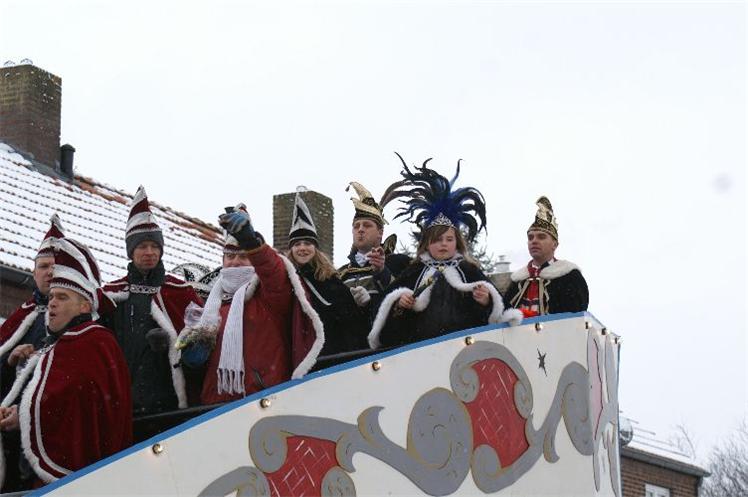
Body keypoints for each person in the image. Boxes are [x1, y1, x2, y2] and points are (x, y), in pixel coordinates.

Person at [0, 236, 131, 488]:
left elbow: (76, 407)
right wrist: (19, 411)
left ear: (84, 306)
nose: (52, 303)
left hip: (75, 480)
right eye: (51, 297)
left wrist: (25, 416)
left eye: (62, 297)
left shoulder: (94, 342)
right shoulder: (62, 343)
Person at [368, 158, 522, 349]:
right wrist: (400, 306)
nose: (443, 244)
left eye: (449, 239)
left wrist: (485, 302)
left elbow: (490, 319)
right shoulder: (414, 272)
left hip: (466, 351)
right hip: (421, 352)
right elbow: (391, 324)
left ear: (457, 242)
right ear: (426, 244)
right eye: (437, 239)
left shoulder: (469, 271)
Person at [182, 204, 323, 405]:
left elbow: (273, 270)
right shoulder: (211, 306)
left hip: (263, 401)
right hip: (216, 406)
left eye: (243, 256)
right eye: (230, 256)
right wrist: (190, 358)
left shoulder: (269, 297)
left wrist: (251, 242)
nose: (235, 262)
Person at [101, 186, 203, 415]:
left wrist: (172, 344)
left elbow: (202, 342)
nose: (149, 252)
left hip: (169, 402)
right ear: (131, 251)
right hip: (123, 400)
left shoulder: (181, 293)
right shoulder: (112, 296)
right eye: (142, 246)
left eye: (155, 246)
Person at [0, 215, 63, 492]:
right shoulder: (19, 317)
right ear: (34, 272)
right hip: (9, 436)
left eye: (56, 267)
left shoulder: (81, 319)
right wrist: (9, 360)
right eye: (44, 266)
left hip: (46, 432)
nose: (49, 272)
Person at [286, 193, 368, 357]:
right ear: (291, 249)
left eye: (307, 243)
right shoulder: (287, 280)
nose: (302, 248)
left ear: (315, 248)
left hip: (335, 354)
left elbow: (351, 321)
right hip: (301, 355)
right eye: (297, 244)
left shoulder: (330, 280)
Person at [502, 196, 589, 317]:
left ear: (555, 244)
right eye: (530, 238)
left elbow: (574, 318)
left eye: (541, 237)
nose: (534, 241)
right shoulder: (517, 281)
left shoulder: (570, 277)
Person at [337, 180, 410, 320]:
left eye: (367, 225)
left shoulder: (398, 263)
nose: (360, 230)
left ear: (380, 233)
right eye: (356, 226)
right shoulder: (341, 274)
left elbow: (405, 304)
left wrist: (382, 273)